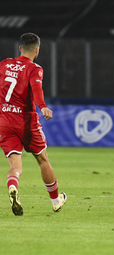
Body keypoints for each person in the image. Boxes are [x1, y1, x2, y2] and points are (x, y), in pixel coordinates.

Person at [0, 33, 67, 216]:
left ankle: (13, 186)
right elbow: (37, 88)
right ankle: (55, 201)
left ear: (20, 48)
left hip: (4, 121)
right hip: (26, 122)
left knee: (15, 166)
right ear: (37, 50)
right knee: (42, 160)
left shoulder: (4, 64)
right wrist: (43, 106)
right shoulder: (34, 68)